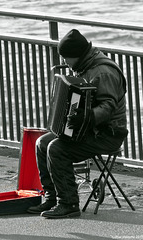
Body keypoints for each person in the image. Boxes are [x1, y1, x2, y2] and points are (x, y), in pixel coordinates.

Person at [27, 29, 128, 218]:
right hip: (89, 129)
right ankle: (52, 197)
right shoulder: (84, 66)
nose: (64, 62)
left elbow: (108, 107)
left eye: (66, 58)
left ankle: (68, 203)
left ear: (77, 55)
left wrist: (87, 117)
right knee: (42, 143)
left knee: (57, 148)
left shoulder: (102, 72)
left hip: (107, 133)